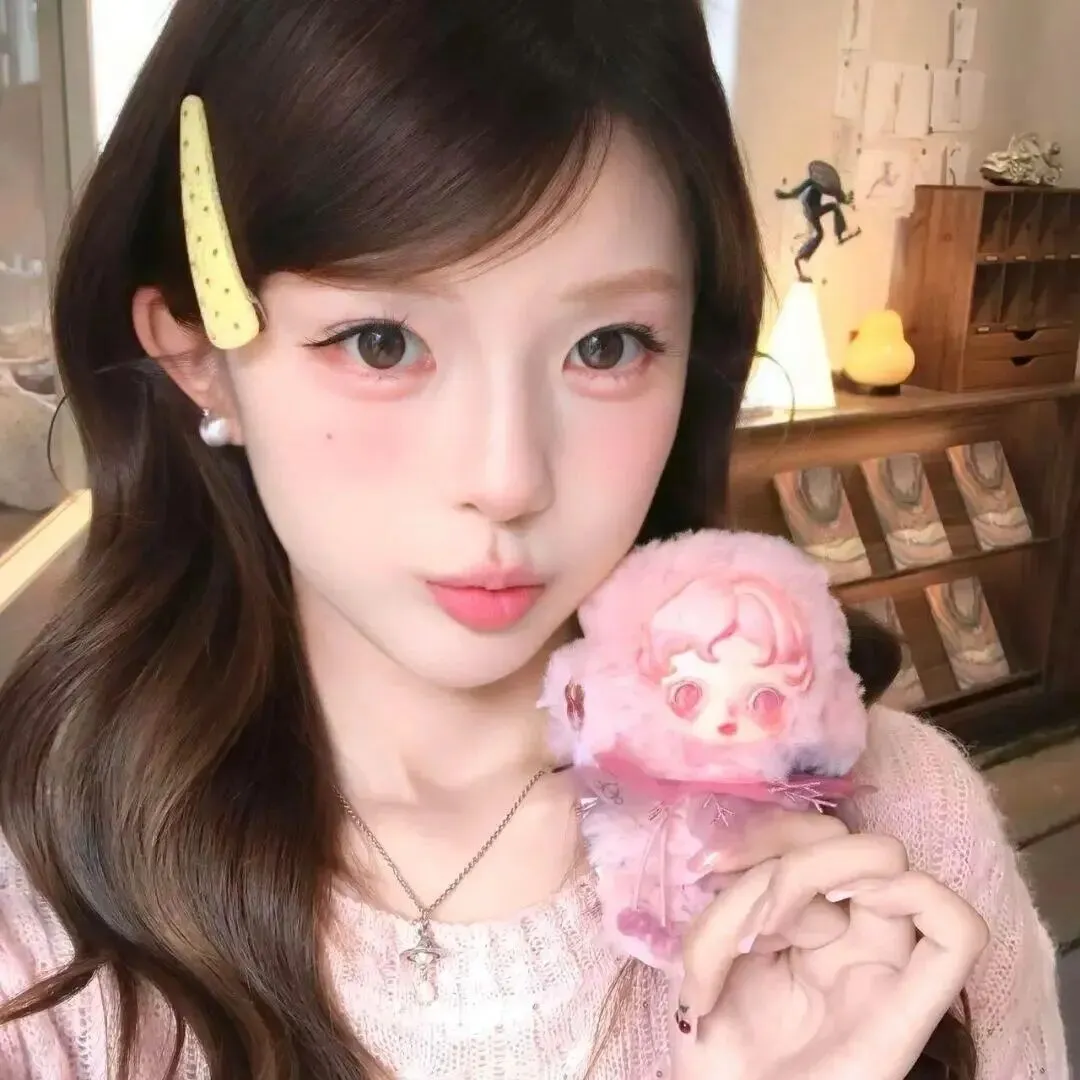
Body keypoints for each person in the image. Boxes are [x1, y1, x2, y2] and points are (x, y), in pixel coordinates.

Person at [0, 1, 1067, 1077]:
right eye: (381, 342)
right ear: (199, 356)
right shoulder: (36, 926)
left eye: (607, 346)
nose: (507, 478)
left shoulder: (898, 836)